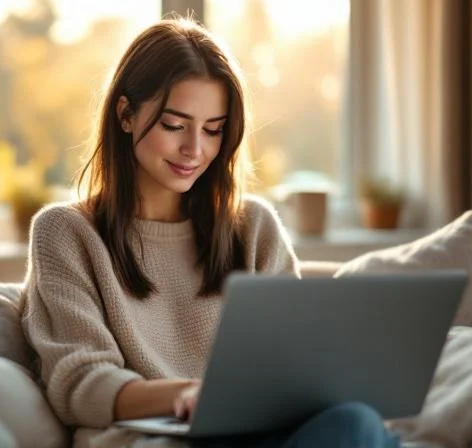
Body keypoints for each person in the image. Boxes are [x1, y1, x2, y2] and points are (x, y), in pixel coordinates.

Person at [21, 18, 400, 448]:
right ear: (126, 115)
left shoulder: (253, 227)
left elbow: (291, 365)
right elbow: (80, 385)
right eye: (174, 125)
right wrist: (186, 395)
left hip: (261, 433)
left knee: (358, 423)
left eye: (213, 129)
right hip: (158, 438)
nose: (195, 149)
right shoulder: (66, 232)